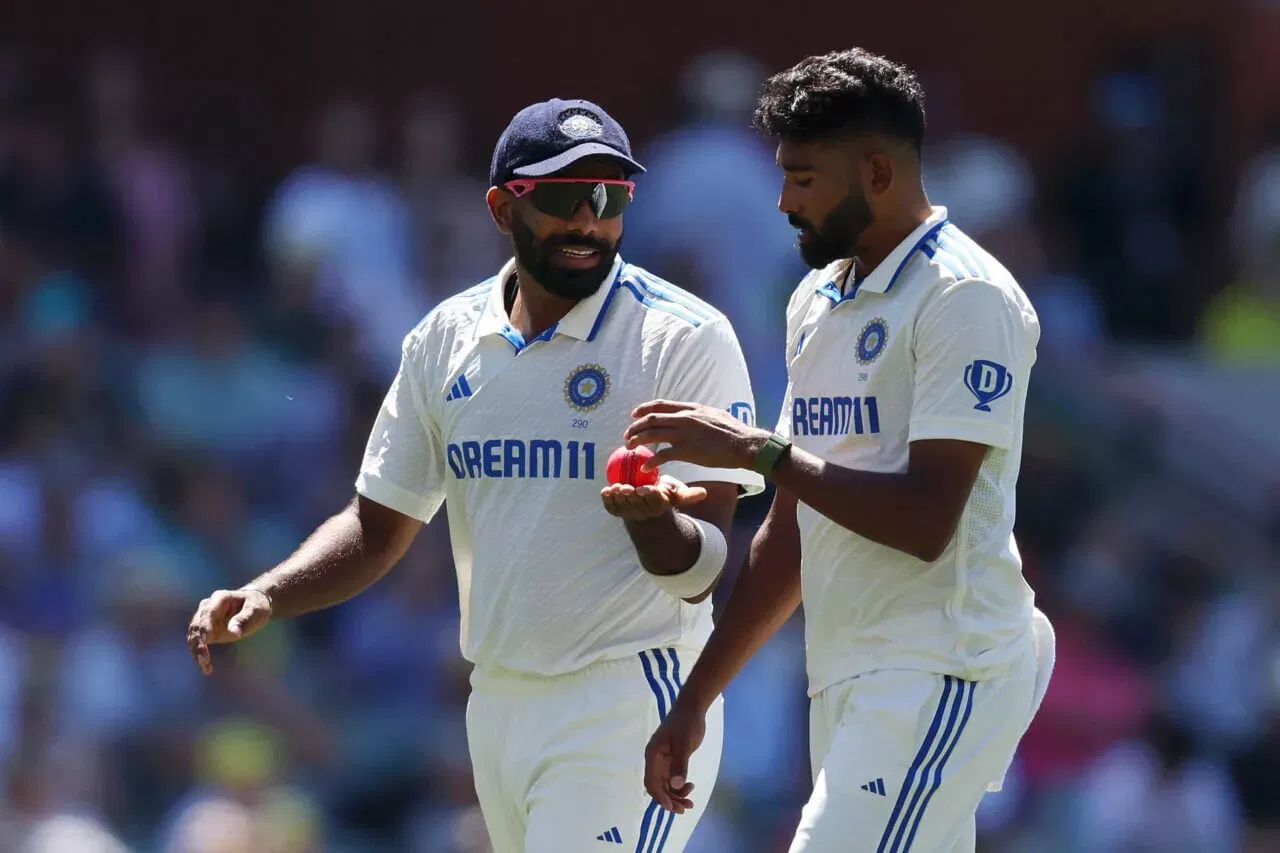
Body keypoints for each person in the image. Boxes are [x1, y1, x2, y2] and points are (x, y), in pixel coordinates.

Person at [186, 98, 764, 852]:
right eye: (564, 199)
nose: (590, 221)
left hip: (628, 696)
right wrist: (268, 591)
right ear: (501, 207)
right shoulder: (444, 338)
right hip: (495, 703)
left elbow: (702, 572)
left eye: (610, 198)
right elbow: (376, 523)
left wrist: (653, 521)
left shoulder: (682, 336)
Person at [626, 49, 1056, 852]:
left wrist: (759, 451)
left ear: (879, 172)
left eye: (804, 177)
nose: (783, 201)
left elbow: (927, 519)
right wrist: (696, 701)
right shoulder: (817, 300)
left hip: (943, 666)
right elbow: (790, 532)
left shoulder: (965, 297)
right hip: (852, 675)